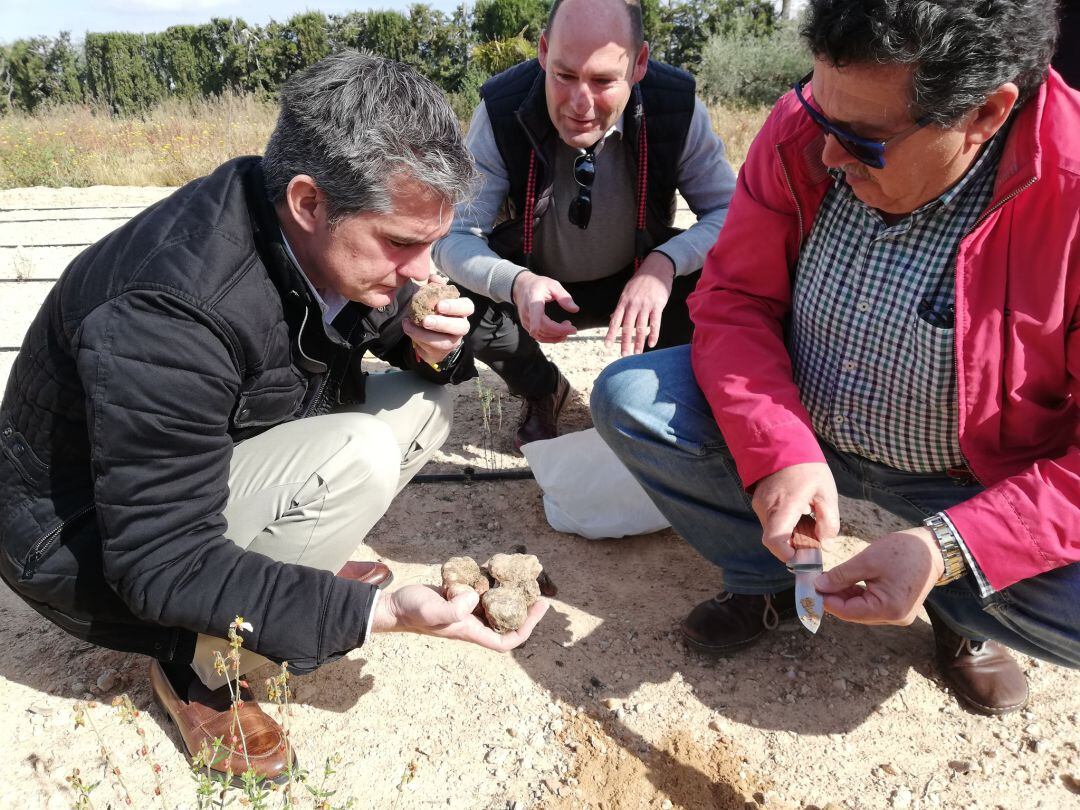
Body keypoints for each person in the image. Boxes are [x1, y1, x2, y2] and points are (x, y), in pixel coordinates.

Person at [0, 51, 548, 784]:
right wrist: (375, 613)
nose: (423, 270)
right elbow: (158, 559)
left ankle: (280, 564)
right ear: (309, 201)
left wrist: (434, 346)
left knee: (424, 406)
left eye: (431, 244)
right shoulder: (171, 309)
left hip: (193, 468)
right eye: (401, 243)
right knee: (359, 452)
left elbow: (394, 331)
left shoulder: (314, 233)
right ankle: (197, 665)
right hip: (82, 537)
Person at [592, 0, 1079, 715]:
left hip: (967, 484)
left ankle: (957, 609)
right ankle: (769, 580)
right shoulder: (802, 129)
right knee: (632, 400)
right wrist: (779, 451)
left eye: (865, 141)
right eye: (823, 117)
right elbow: (734, 299)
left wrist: (953, 547)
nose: (826, 155)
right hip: (808, 431)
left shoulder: (1069, 188)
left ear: (984, 114)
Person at [432, 0, 736, 449]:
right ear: (543, 51)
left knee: (721, 277)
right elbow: (454, 236)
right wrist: (515, 283)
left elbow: (731, 214)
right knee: (458, 298)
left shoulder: (677, 106)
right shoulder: (500, 109)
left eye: (603, 81)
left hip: (639, 282)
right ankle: (541, 387)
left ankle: (654, 389)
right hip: (536, 289)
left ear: (639, 64)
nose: (579, 104)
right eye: (564, 75)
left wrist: (665, 264)